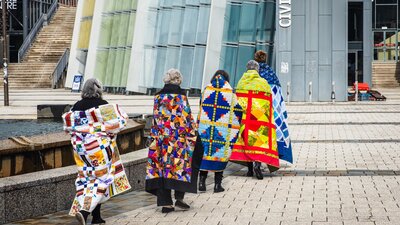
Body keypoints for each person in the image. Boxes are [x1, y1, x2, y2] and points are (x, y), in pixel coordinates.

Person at [62, 78, 131, 225]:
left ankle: (96, 217)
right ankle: (84, 212)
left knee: (87, 180)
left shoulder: (76, 107)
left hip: (80, 151)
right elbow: (118, 124)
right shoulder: (103, 106)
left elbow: (69, 126)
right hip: (99, 150)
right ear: (98, 90)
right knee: (102, 179)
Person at [145, 69, 202, 213]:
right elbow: (186, 118)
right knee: (183, 163)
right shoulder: (181, 95)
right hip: (178, 139)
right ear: (178, 80)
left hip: (161, 139)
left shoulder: (158, 96)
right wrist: (193, 134)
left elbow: (157, 118)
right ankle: (179, 197)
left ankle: (165, 203)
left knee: (162, 167)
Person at [230, 60, 280, 180]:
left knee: (246, 142)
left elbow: (238, 102)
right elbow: (268, 102)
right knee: (258, 142)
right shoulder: (263, 83)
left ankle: (250, 170)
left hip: (245, 119)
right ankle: (257, 165)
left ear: (247, 69)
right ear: (257, 70)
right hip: (259, 118)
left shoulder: (241, 82)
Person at [197, 70, 243, 193]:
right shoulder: (231, 93)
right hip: (223, 132)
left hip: (206, 130)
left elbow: (201, 106)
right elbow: (238, 110)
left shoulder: (206, 90)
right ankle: (217, 185)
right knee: (221, 153)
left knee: (205, 153)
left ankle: (201, 183)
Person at [254, 50, 293, 164]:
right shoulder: (272, 75)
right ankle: (270, 157)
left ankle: (256, 162)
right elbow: (279, 98)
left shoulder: (255, 76)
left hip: (259, 111)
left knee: (258, 135)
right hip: (273, 113)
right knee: (272, 133)